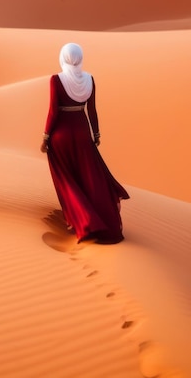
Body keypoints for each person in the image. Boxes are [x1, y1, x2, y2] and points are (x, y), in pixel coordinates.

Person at [41, 43, 128, 244]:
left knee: (67, 179)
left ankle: (77, 220)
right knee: (88, 176)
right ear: (79, 58)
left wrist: (46, 137)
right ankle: (86, 219)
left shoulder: (56, 80)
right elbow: (92, 111)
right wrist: (96, 134)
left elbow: (53, 111)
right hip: (82, 133)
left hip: (60, 136)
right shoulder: (89, 80)